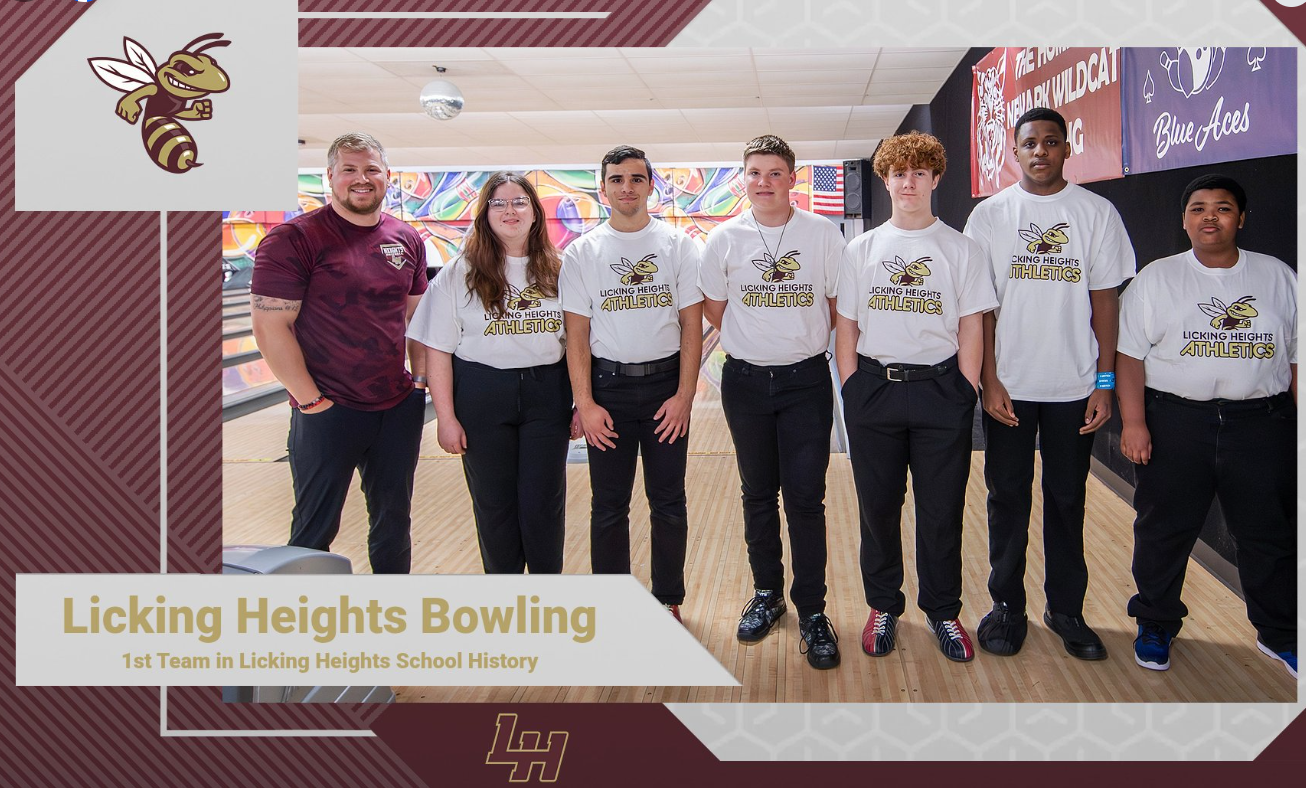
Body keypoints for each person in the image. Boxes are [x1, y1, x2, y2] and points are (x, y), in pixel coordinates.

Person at [962, 107, 1135, 660]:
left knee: (1067, 499)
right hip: (1009, 385)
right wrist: (989, 380)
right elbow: (980, 309)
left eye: (1051, 142)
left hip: (1074, 387)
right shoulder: (989, 217)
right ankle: (1006, 607)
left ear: (1067, 149)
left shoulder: (1096, 213)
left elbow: (1105, 301)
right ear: (1014, 152)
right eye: (1030, 143)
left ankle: (1066, 610)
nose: (1040, 151)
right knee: (1006, 499)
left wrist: (1104, 382)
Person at [1117, 174, 1297, 678]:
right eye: (1198, 208)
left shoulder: (1279, 277)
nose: (1209, 217)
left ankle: (1279, 633)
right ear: (1184, 220)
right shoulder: (1157, 278)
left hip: (1261, 425)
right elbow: (1129, 355)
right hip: (1177, 422)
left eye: (1222, 208)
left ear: (1241, 218)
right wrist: (1134, 422)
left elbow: (1298, 359)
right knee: (1162, 532)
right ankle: (1155, 623)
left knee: (1268, 536)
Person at [835, 131, 997, 663]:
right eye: (899, 173)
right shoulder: (862, 249)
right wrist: (853, 387)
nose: (909, 182)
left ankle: (943, 610)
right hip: (875, 393)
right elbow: (847, 325)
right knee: (878, 510)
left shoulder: (960, 248)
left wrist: (964, 389)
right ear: (885, 180)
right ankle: (884, 606)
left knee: (941, 511)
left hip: (940, 393)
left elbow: (973, 324)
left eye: (919, 173)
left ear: (934, 179)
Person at [250, 132, 428, 573]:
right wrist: (311, 401)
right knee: (314, 526)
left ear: (387, 177)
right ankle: (307, 625)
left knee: (394, 523)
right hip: (326, 409)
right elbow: (271, 327)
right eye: (349, 169)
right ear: (330, 177)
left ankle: (391, 616)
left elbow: (417, 321)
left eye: (371, 169)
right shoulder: (295, 239)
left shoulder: (406, 238)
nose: (361, 179)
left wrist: (419, 383)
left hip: (395, 407)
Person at [699, 135, 845, 669]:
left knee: (806, 499)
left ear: (792, 178)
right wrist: (759, 339)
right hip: (745, 383)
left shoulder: (822, 233)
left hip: (806, 382)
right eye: (755, 172)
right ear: (744, 178)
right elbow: (716, 309)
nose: (764, 182)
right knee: (757, 494)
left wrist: (792, 340)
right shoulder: (725, 239)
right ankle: (767, 595)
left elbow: (835, 305)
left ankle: (812, 610)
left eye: (775, 172)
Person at [560, 145, 703, 622]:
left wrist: (684, 396)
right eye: (617, 179)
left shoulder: (678, 245)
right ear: (603, 189)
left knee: (668, 503)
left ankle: (668, 601)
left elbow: (690, 326)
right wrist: (585, 403)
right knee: (608, 506)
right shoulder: (582, 252)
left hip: (666, 388)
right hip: (609, 391)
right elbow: (577, 337)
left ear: (650, 186)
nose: (627, 187)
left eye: (636, 179)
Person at [407, 172, 577, 574]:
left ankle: (546, 598)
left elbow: (578, 343)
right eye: (498, 203)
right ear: (484, 214)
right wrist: (445, 418)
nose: (510, 210)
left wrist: (581, 404)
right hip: (482, 393)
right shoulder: (458, 272)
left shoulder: (562, 270)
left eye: (519, 201)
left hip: (546, 392)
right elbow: (438, 350)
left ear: (536, 212)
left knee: (543, 503)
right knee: (494, 504)